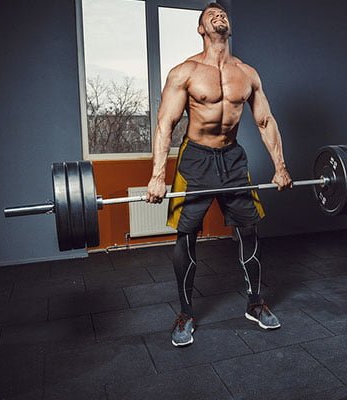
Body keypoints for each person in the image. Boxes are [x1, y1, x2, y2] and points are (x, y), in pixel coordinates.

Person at [146, 2, 292, 347]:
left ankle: (255, 303)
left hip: (232, 159)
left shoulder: (248, 73)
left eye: (222, 13)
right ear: (200, 29)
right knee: (186, 234)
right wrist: (157, 175)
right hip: (194, 158)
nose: (219, 16)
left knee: (249, 228)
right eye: (210, 15)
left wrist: (280, 166)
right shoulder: (185, 72)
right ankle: (185, 313)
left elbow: (265, 121)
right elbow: (165, 125)